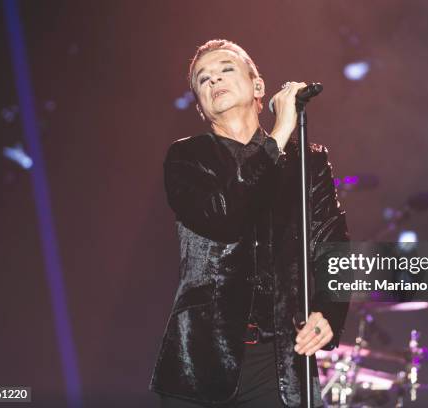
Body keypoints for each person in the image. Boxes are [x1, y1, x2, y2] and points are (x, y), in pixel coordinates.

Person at [149, 39, 349, 407]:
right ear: (200, 106)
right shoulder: (187, 158)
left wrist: (330, 312)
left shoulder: (308, 162)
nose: (214, 80)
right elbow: (224, 215)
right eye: (202, 79)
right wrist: (279, 134)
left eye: (226, 69)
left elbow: (334, 245)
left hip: (280, 364)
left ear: (258, 86)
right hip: (201, 364)